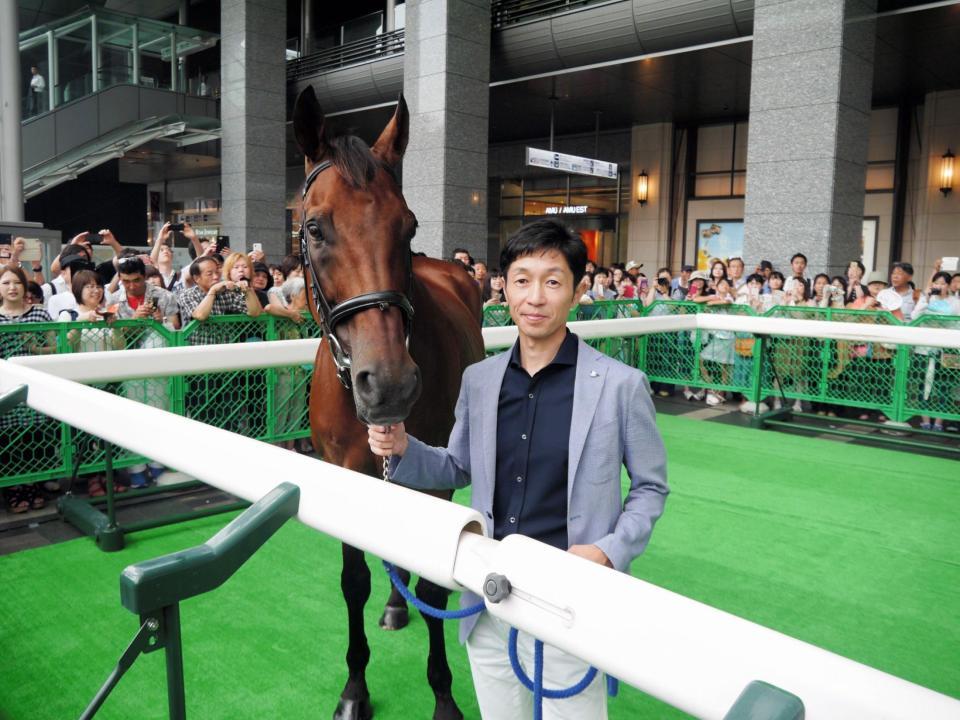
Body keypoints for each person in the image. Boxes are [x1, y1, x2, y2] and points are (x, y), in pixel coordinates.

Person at [368, 219, 668, 720]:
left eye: (553, 281)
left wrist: (610, 551)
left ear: (576, 291)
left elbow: (650, 486)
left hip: (570, 597)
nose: (536, 296)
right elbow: (458, 466)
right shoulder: (480, 380)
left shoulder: (620, 385)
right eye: (522, 279)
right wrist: (402, 448)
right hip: (490, 597)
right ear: (503, 288)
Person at [0, 265, 55, 513]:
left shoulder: (40, 315)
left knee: (35, 437)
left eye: (17, 283)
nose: (12, 288)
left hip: (36, 390)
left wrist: (34, 349)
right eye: (6, 283)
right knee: (9, 441)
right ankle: (14, 488)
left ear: (25, 286)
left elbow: (56, 347)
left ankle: (34, 483)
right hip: (4, 391)